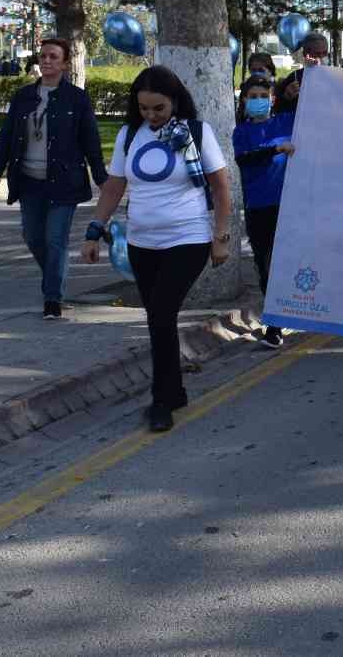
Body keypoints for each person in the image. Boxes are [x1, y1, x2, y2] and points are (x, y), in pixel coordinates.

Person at [82, 66, 234, 433]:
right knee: (157, 320)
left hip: (188, 238)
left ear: (175, 102)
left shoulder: (197, 133)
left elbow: (221, 188)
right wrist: (93, 230)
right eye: (145, 109)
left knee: (162, 314)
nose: (151, 116)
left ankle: (161, 401)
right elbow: (115, 187)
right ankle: (175, 389)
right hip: (141, 242)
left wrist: (221, 236)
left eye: (159, 109)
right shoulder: (129, 134)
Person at [0, 37, 109, 321]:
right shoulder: (24, 97)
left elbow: (90, 141)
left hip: (64, 182)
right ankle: (55, 276)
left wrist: (102, 177)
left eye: (54, 57)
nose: (47, 61)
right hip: (29, 180)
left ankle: (52, 298)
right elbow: (6, 135)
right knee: (32, 236)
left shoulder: (76, 99)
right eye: (43, 56)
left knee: (55, 239)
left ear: (65, 64)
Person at [233, 71, 293, 349]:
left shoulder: (286, 121)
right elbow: (244, 159)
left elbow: (318, 108)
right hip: (258, 208)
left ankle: (286, 316)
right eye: (252, 97)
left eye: (263, 96)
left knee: (286, 264)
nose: (258, 101)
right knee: (266, 266)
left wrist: (311, 70)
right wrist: (276, 149)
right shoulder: (241, 132)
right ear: (244, 100)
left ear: (272, 99)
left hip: (290, 205)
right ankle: (274, 324)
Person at [276, 32, 330, 112]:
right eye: (317, 53)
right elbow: (277, 109)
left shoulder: (334, 77)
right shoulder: (294, 78)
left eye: (325, 53)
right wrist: (287, 97)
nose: (322, 57)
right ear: (305, 54)